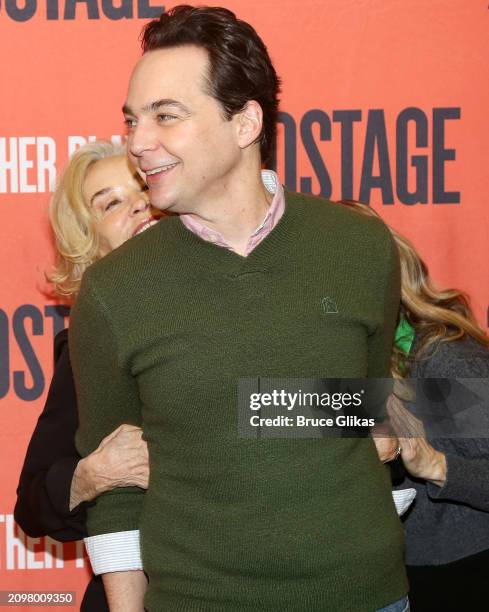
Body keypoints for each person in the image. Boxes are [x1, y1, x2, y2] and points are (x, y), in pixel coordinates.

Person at [70, 6, 409, 611]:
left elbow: (366, 407)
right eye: (132, 120)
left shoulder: (360, 246)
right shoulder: (113, 290)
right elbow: (115, 489)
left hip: (370, 597)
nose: (137, 143)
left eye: (165, 116)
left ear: (246, 122)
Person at [14, 140, 158, 611]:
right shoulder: (88, 348)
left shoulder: (238, 298)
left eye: (142, 186)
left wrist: (386, 423)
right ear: (88, 243)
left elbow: (268, 406)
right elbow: (31, 506)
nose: (137, 203)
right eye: (110, 203)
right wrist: (93, 475)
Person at [339, 199, 489, 612]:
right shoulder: (349, 360)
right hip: (384, 571)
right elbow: (260, 411)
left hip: (461, 570)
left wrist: (436, 464)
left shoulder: (435, 355)